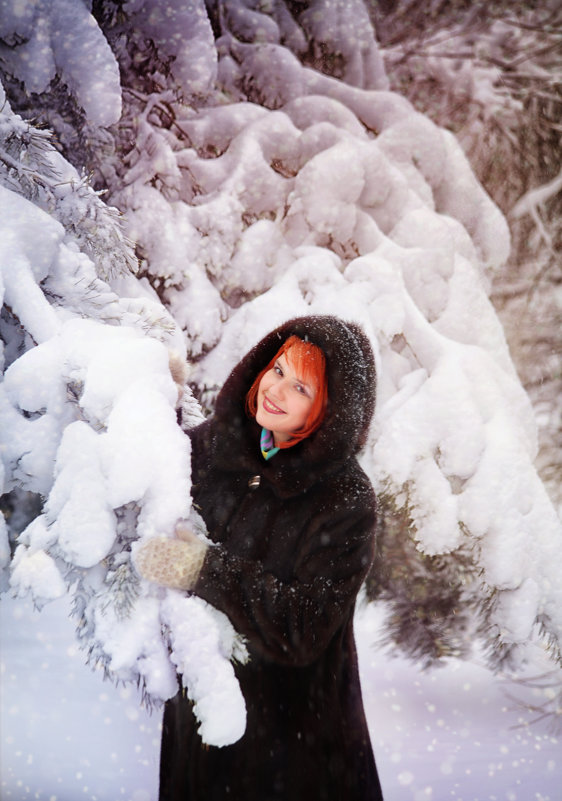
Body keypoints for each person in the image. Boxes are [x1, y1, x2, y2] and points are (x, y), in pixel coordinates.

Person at [135, 315, 384, 801]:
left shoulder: (346, 500)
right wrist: (148, 398)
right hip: (203, 730)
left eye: (302, 388)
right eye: (277, 370)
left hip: (294, 746)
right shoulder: (210, 449)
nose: (277, 390)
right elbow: (141, 483)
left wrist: (203, 569)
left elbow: (303, 627)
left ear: (331, 411)